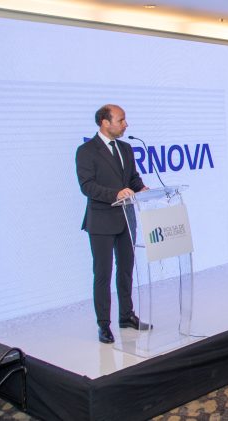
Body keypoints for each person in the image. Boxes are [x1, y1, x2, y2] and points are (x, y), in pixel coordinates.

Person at [76, 104, 150, 344]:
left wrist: (141, 188)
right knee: (103, 274)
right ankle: (103, 325)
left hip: (126, 218)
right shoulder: (86, 151)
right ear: (105, 123)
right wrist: (115, 194)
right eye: (121, 120)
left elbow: (132, 178)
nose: (126, 124)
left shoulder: (126, 148)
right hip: (101, 221)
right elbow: (87, 186)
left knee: (126, 269)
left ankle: (127, 316)